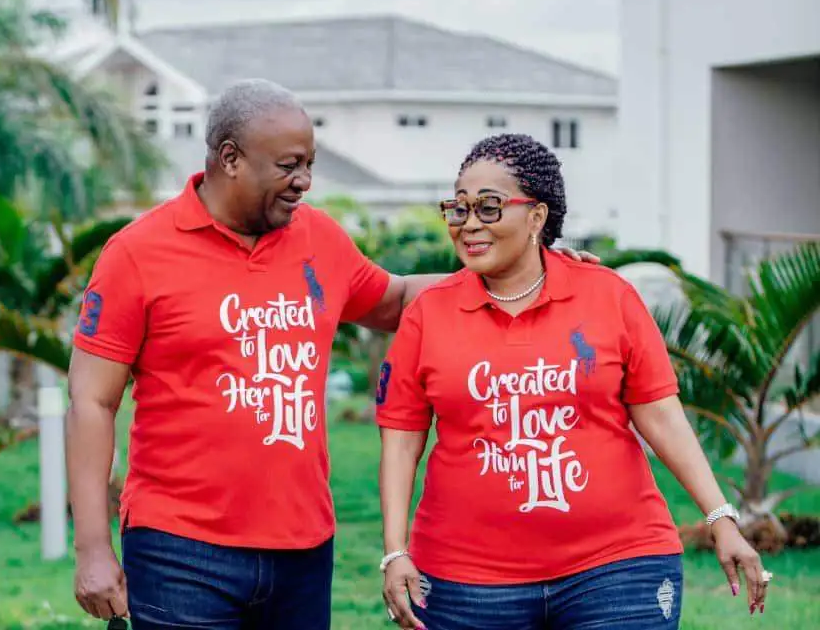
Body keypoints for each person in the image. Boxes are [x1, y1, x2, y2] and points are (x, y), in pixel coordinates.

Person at [66, 80, 595, 629]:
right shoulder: (138, 253)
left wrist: (531, 269)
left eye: (310, 164)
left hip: (303, 547)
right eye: (289, 166)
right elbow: (91, 402)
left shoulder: (317, 237)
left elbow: (394, 299)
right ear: (231, 159)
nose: (304, 182)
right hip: (180, 548)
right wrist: (92, 549)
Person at [376, 133, 770, 630]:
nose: (469, 223)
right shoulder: (428, 315)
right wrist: (395, 552)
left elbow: (661, 414)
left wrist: (721, 519)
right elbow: (400, 442)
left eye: (489, 207)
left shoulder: (607, 295)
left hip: (618, 569)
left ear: (537, 216)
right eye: (458, 209)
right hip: (467, 582)